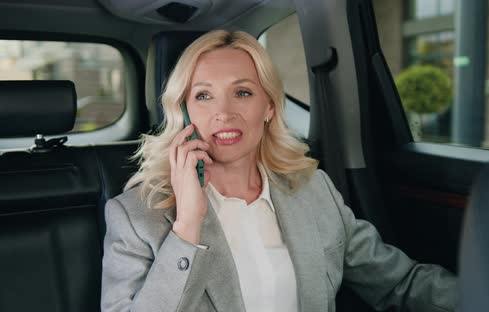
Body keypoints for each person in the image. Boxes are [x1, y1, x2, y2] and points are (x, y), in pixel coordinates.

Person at [101, 29, 457, 312]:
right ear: (185, 111)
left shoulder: (313, 189)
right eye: (204, 96)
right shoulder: (135, 217)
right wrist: (187, 227)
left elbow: (398, 282)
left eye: (242, 92)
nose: (224, 112)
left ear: (269, 106)